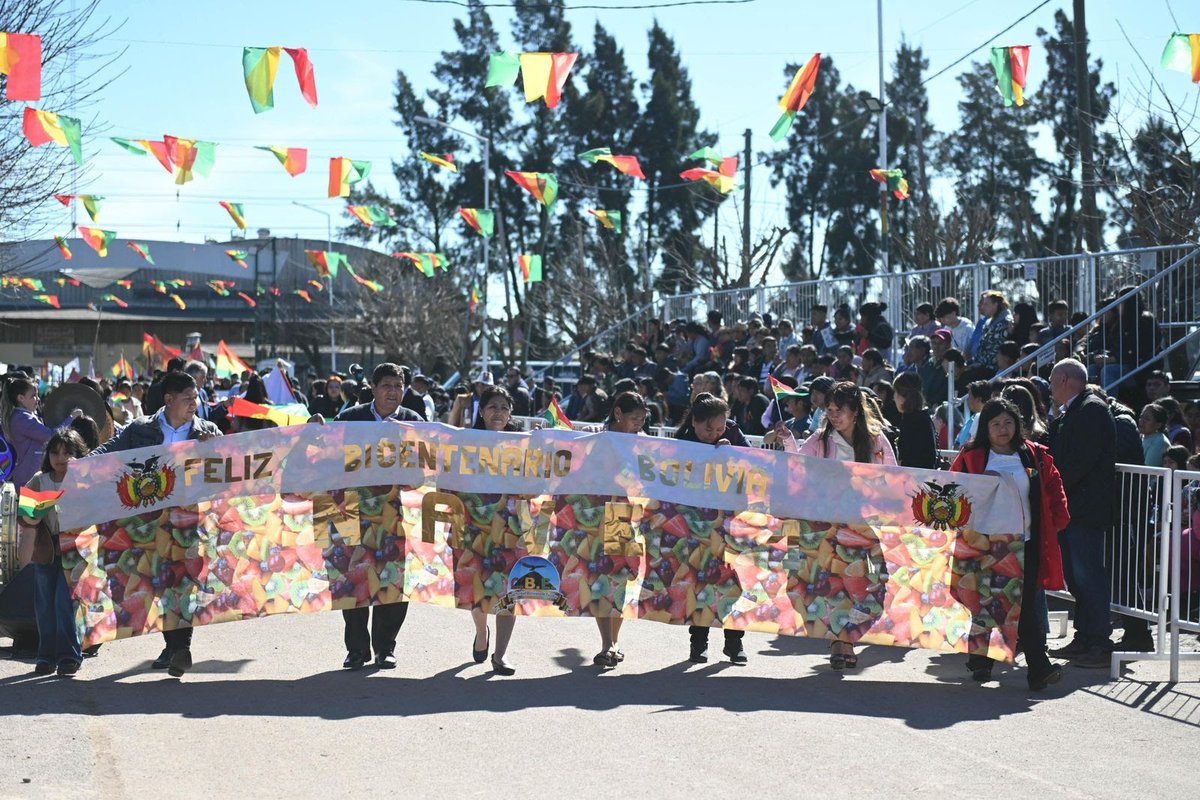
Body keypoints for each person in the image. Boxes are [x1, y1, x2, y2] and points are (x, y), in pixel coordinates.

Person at [90, 370, 220, 677]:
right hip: (148, 520)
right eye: (188, 398)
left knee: (184, 580)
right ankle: (172, 646)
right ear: (169, 400)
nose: (194, 403)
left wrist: (215, 447)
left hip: (189, 518)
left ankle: (182, 647)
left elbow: (230, 462)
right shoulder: (140, 429)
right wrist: (82, 463)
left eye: (196, 398)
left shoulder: (207, 430)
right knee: (160, 580)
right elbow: (111, 450)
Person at [950, 399, 1071, 690]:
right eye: (995, 424)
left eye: (1008, 422)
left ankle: (1038, 669)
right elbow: (952, 489)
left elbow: (1054, 488)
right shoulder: (971, 456)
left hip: (1025, 541)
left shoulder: (1034, 455)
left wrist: (1055, 521)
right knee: (985, 603)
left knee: (1026, 605)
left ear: (1017, 424)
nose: (1002, 429)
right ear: (986, 429)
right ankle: (981, 660)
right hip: (984, 542)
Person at [317, 363, 425, 670]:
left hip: (392, 514)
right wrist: (316, 433)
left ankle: (385, 647)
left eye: (398, 386)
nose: (393, 392)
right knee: (352, 581)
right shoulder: (351, 419)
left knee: (392, 582)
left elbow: (422, 470)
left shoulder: (412, 422)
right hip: (350, 512)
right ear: (374, 388)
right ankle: (356, 649)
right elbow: (329, 458)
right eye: (387, 385)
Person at [797, 382, 897, 669]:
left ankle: (845, 638)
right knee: (834, 585)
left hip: (863, 524)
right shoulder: (819, 440)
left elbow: (891, 478)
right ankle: (843, 641)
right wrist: (788, 443)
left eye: (840, 409)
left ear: (856, 411)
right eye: (829, 410)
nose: (834, 415)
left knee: (871, 584)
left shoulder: (877, 442)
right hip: (826, 525)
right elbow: (795, 469)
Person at [1047, 359, 1116, 668]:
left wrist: (1055, 488)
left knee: (1088, 576)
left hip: (1085, 509)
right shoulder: (1079, 409)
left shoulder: (1091, 410)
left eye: (1051, 382)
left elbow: (1081, 462)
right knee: (1076, 577)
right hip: (1075, 508)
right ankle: (1085, 636)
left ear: (1064, 380)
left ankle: (1100, 642)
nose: (1049, 389)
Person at [674, 393, 750, 665]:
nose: (715, 433)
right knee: (701, 582)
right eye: (709, 429)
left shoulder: (733, 434)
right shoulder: (682, 443)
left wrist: (733, 454)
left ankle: (734, 641)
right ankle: (699, 643)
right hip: (696, 524)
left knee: (734, 580)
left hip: (730, 521)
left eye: (720, 428)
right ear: (694, 422)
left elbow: (753, 465)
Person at [19, 429, 90, 677]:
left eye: (67, 452)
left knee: (64, 604)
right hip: (45, 551)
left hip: (76, 550)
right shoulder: (39, 481)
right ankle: (45, 656)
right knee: (44, 605)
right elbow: (25, 518)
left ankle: (69, 656)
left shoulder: (85, 480)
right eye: (55, 452)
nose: (60, 457)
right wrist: (33, 514)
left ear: (78, 455)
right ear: (47, 455)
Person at [590, 392, 649, 666]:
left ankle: (614, 642)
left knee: (623, 579)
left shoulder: (644, 442)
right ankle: (607, 643)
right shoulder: (598, 437)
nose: (638, 424)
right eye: (634, 418)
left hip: (628, 516)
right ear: (617, 414)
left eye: (642, 419)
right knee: (604, 580)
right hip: (601, 516)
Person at [467, 385, 522, 675]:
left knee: (509, 591)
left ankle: (500, 655)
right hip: (475, 525)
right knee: (478, 591)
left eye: (503, 407)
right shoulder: (466, 442)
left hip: (512, 527)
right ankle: (481, 632)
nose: (498, 412)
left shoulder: (524, 444)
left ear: (510, 412)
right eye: (492, 406)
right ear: (482, 411)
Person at [2, 376, 83, 490]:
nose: (38, 399)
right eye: (33, 396)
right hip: (28, 475)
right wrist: (71, 417)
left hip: (28, 472)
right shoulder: (23, 419)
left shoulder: (24, 416)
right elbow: (50, 435)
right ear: (21, 398)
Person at [891, 372, 938, 469]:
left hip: (914, 479)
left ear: (901, 395)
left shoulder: (912, 422)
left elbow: (908, 458)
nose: (894, 397)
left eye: (895, 392)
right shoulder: (923, 418)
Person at [1138, 403, 1171, 469]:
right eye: (1141, 417)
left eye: (1147, 419)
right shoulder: (1140, 437)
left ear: (1158, 425)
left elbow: (1147, 470)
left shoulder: (1160, 442)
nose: (1142, 420)